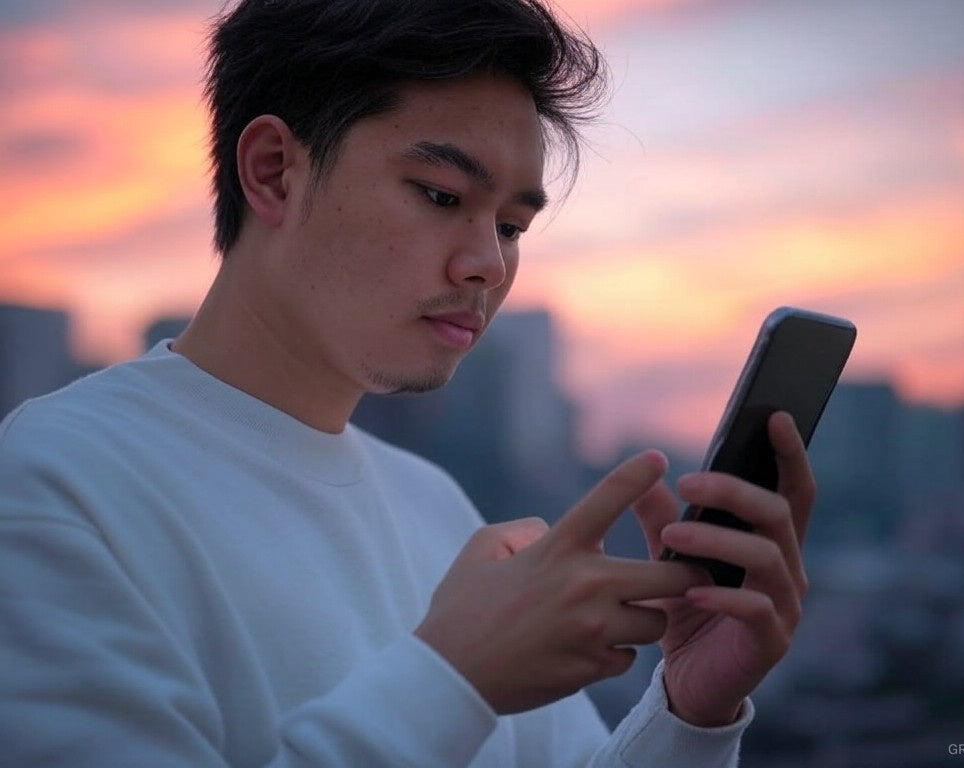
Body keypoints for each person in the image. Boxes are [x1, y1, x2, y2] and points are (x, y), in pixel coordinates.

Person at [0, 0, 814, 765]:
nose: (488, 266)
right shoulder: (54, 484)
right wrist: (453, 677)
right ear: (274, 171)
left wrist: (687, 714)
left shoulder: (439, 509)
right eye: (440, 195)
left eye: (510, 226)